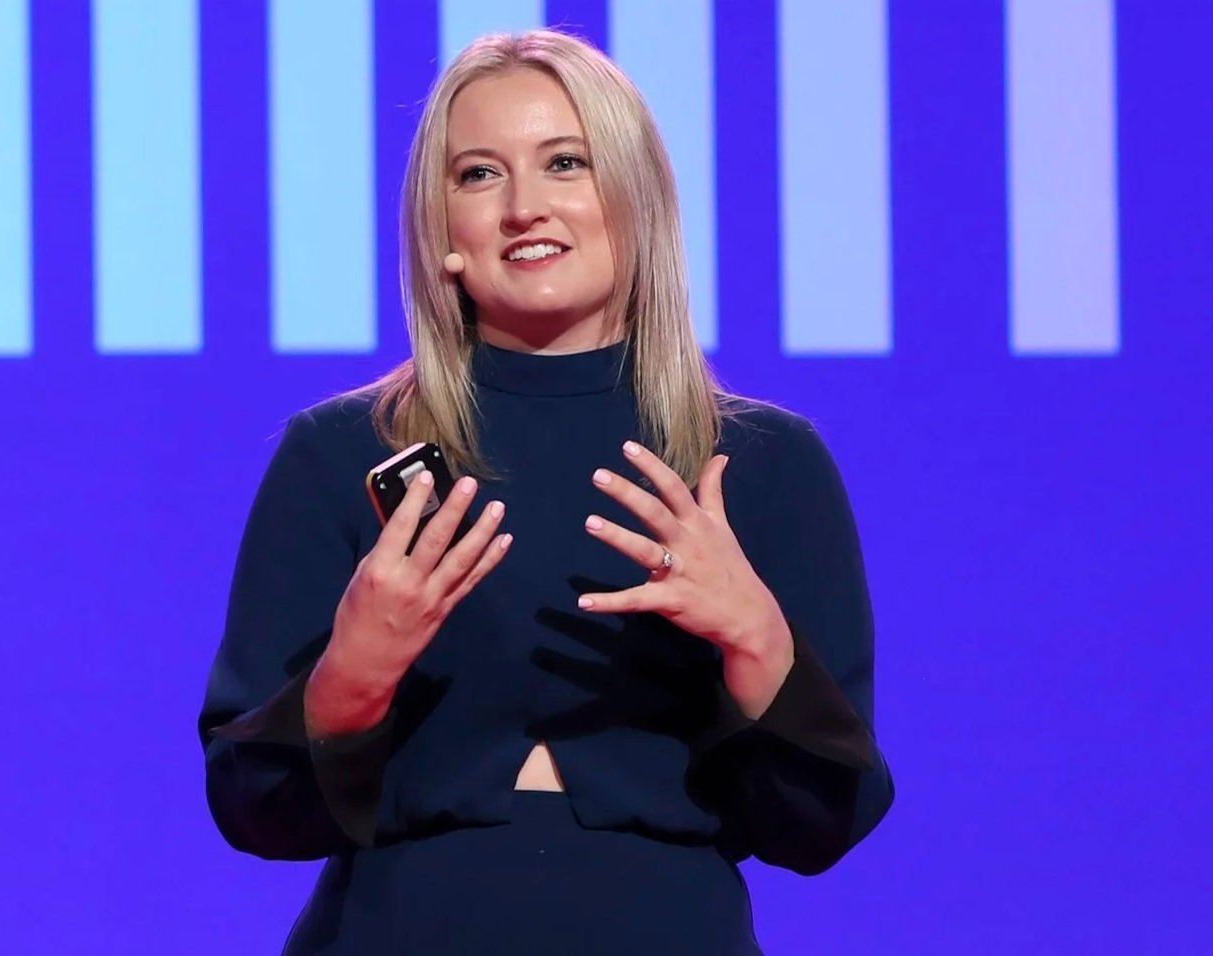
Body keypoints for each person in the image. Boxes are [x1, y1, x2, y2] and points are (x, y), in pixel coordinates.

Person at [198, 28, 893, 955]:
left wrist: (754, 637)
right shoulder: (339, 456)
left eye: (565, 162)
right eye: (479, 175)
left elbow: (820, 826)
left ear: (634, 197)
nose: (525, 207)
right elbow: (256, 813)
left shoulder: (761, 464)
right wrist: (355, 670)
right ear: (440, 228)